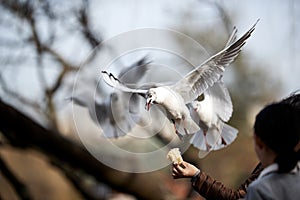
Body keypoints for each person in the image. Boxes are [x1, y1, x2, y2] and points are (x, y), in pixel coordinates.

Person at [171, 92, 300, 200]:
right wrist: (197, 175)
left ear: (258, 142)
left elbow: (238, 198)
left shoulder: (261, 189)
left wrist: (197, 176)